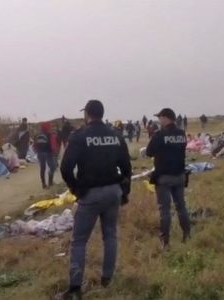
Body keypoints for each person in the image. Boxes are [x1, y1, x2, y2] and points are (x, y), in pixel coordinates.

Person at [58, 100, 131, 300]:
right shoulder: (116, 136)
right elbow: (126, 167)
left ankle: (74, 289)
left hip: (90, 193)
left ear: (87, 114)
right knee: (110, 236)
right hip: (113, 191)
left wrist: (76, 188)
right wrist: (124, 192)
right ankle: (107, 279)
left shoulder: (80, 136)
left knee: (79, 241)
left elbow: (65, 168)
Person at [146, 108, 191, 250]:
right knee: (181, 207)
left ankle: (165, 242)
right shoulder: (181, 133)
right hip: (179, 175)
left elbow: (148, 152)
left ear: (166, 118)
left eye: (160, 118)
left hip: (164, 177)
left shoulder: (160, 135)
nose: (159, 120)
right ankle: (187, 234)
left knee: (164, 210)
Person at [34, 122, 57, 189]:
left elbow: (35, 145)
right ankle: (50, 182)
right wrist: (54, 152)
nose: (51, 128)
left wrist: (37, 151)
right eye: (50, 127)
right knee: (52, 167)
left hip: (40, 153)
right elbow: (53, 145)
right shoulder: (50, 135)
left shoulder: (37, 135)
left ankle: (44, 184)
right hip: (48, 153)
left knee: (43, 168)